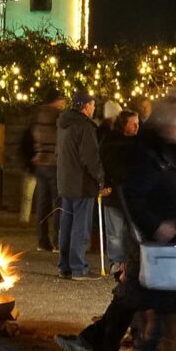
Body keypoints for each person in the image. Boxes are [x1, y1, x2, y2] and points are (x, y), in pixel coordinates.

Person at [55, 138, 176, 351]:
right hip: (169, 273)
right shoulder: (174, 209)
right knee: (127, 290)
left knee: (128, 294)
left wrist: (131, 269)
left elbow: (174, 250)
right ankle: (98, 345)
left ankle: (97, 344)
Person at [56, 90, 103, 280]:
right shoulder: (84, 126)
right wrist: (101, 177)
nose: (94, 108)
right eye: (92, 105)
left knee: (66, 225)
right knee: (80, 226)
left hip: (66, 181)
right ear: (85, 106)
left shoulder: (63, 124)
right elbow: (89, 158)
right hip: (82, 183)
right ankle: (78, 268)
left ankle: (65, 266)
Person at [98, 109, 139, 270]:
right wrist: (104, 184)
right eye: (133, 124)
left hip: (132, 193)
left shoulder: (138, 143)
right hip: (114, 191)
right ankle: (116, 261)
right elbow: (104, 166)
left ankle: (131, 261)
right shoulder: (110, 142)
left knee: (132, 231)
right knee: (114, 232)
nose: (137, 127)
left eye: (138, 123)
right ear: (124, 125)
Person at [28, 90, 64, 252]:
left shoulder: (37, 116)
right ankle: (58, 241)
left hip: (40, 162)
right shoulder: (58, 117)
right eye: (61, 100)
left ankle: (42, 241)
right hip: (54, 163)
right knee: (58, 204)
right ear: (55, 101)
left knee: (42, 203)